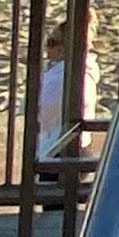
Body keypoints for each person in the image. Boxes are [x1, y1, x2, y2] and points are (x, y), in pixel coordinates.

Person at [33, 18, 100, 155]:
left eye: (51, 43)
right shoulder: (85, 72)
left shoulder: (61, 77)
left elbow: (36, 107)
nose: (47, 48)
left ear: (63, 48)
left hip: (56, 147)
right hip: (79, 146)